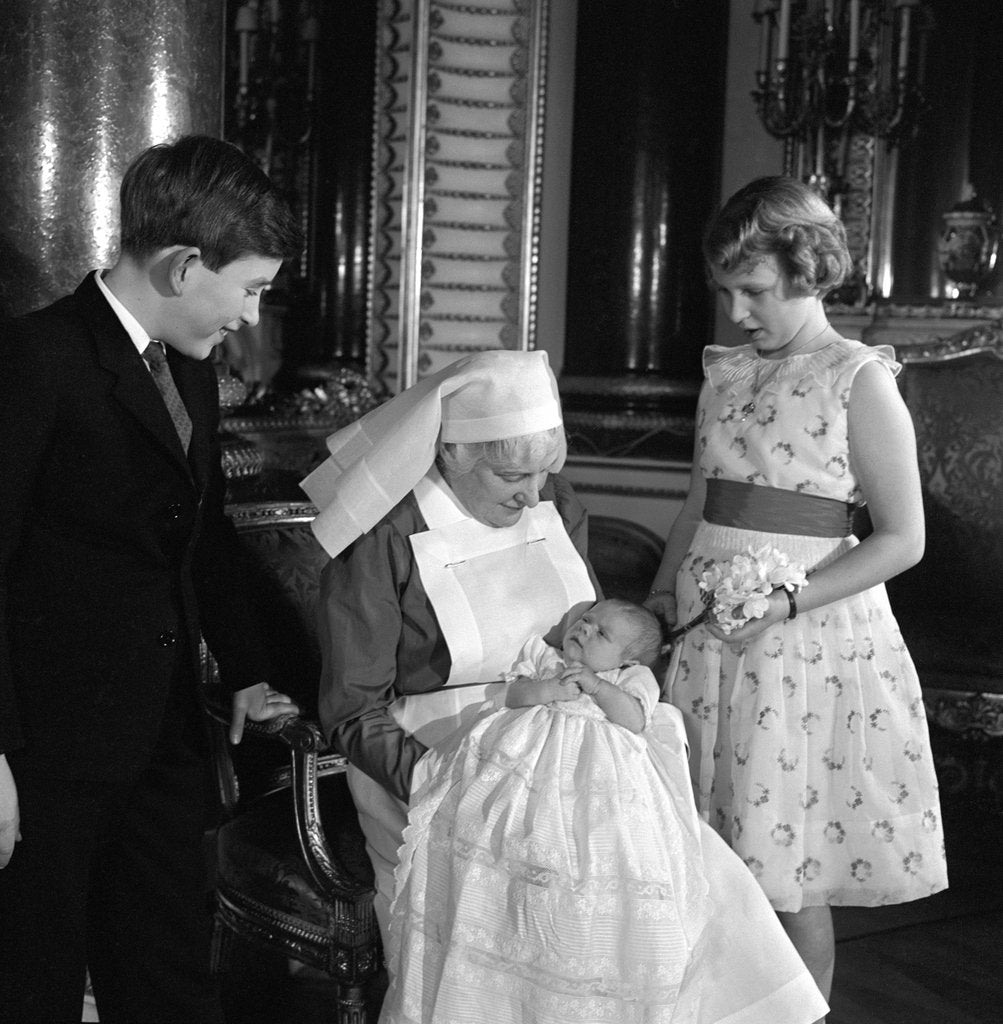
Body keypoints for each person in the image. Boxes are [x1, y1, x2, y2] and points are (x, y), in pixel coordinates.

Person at [302, 352, 827, 1024]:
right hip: (430, 753)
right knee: (539, 890)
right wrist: (445, 779)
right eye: (510, 476)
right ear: (452, 453)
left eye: (543, 473)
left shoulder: (556, 502)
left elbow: (600, 646)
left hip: (569, 749)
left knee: (672, 868)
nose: (531, 496)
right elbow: (353, 708)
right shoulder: (386, 533)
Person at [0, 134, 302, 1023]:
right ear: (182, 267)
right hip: (44, 752)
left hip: (161, 736)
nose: (250, 317)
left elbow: (200, 535)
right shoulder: (35, 361)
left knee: (168, 978)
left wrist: (248, 668)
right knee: (33, 984)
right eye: (249, 289)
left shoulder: (188, 369)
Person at [649, 176, 948, 1013]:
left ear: (806, 267)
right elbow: (698, 503)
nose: (736, 311)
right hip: (708, 633)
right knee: (705, 848)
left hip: (801, 642)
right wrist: (662, 600)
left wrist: (783, 603)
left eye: (752, 289)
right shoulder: (723, 374)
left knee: (782, 863)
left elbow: (902, 538)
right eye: (725, 292)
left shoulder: (857, 379)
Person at [380, 598, 830, 1023]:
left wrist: (596, 687)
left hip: (597, 782)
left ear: (628, 659)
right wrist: (546, 689)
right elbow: (510, 696)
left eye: (601, 633)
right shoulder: (545, 659)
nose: (584, 629)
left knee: (601, 851)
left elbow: (634, 721)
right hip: (524, 770)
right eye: (586, 620)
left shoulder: (630, 680)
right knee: (495, 834)